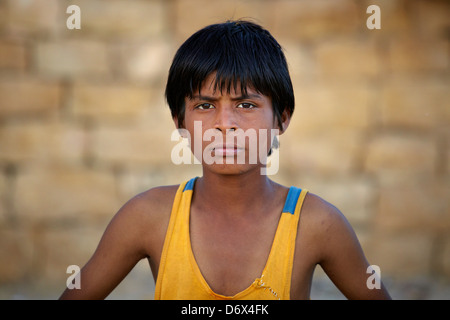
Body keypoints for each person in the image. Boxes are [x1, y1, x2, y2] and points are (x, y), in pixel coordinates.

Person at [59, 20, 391, 300]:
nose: (224, 123)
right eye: (205, 105)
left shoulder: (316, 224)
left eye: (246, 105)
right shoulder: (148, 218)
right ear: (179, 122)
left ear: (282, 119)